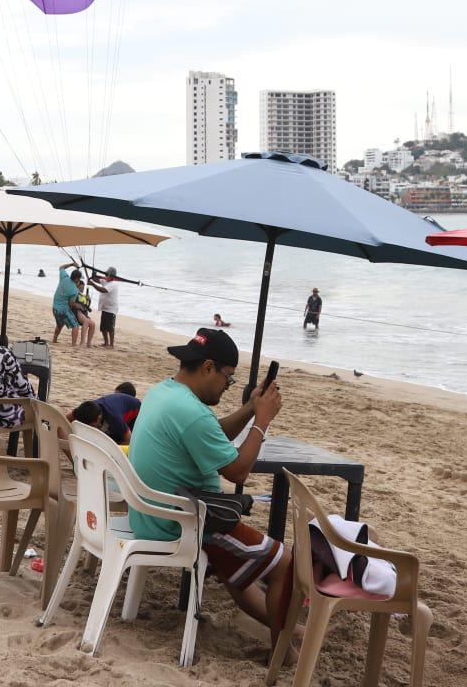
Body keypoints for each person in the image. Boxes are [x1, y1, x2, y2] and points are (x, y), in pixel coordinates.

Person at [128, 328, 291, 648]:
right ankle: (284, 651)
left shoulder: (166, 392)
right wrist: (262, 422)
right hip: (184, 523)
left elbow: (211, 432)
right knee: (284, 565)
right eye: (228, 379)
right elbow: (239, 471)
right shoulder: (191, 412)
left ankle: (286, 630)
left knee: (238, 568)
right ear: (207, 368)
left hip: (151, 514)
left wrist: (249, 408)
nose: (227, 387)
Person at [70, 382, 141, 443]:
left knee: (115, 439)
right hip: (115, 407)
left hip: (137, 414)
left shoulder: (115, 419)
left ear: (99, 418)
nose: (92, 427)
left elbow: (129, 442)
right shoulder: (82, 410)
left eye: (93, 425)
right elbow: (65, 418)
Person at [51, 266, 89, 345]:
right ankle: (73, 344)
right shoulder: (74, 290)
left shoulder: (64, 277)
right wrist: (78, 306)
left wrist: (72, 264)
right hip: (63, 310)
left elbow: (61, 267)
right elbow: (71, 303)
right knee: (75, 325)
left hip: (54, 307)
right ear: (77, 279)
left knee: (60, 324)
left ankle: (54, 340)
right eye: (78, 279)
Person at [95, 267, 121, 348]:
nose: (105, 276)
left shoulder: (113, 284)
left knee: (110, 328)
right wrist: (94, 274)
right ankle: (106, 343)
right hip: (105, 308)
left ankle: (111, 344)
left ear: (112, 276)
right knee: (103, 327)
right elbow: (96, 279)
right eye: (105, 274)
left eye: (107, 274)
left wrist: (92, 284)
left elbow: (103, 290)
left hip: (111, 309)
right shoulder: (105, 281)